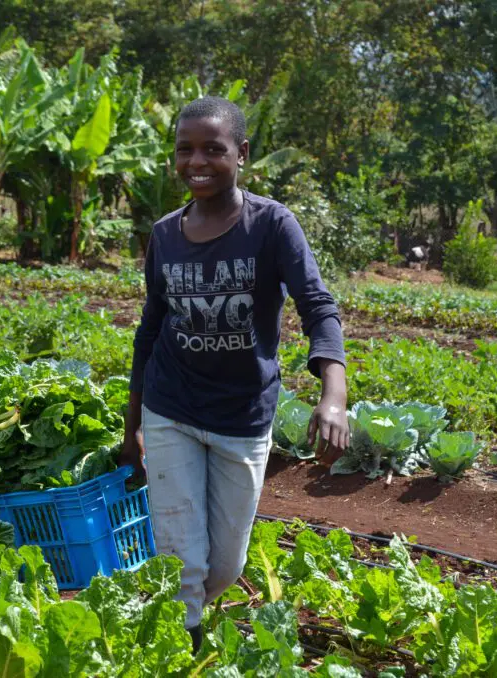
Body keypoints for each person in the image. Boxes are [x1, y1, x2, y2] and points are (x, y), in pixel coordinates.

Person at [118, 97, 349, 652]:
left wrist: (333, 395)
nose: (196, 160)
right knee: (181, 559)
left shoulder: (271, 226)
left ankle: (177, 614)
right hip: (171, 407)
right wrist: (132, 429)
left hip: (243, 416)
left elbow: (317, 306)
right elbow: (149, 331)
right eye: (184, 149)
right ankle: (180, 649)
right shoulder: (165, 234)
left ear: (241, 154)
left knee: (224, 563)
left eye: (213, 149)